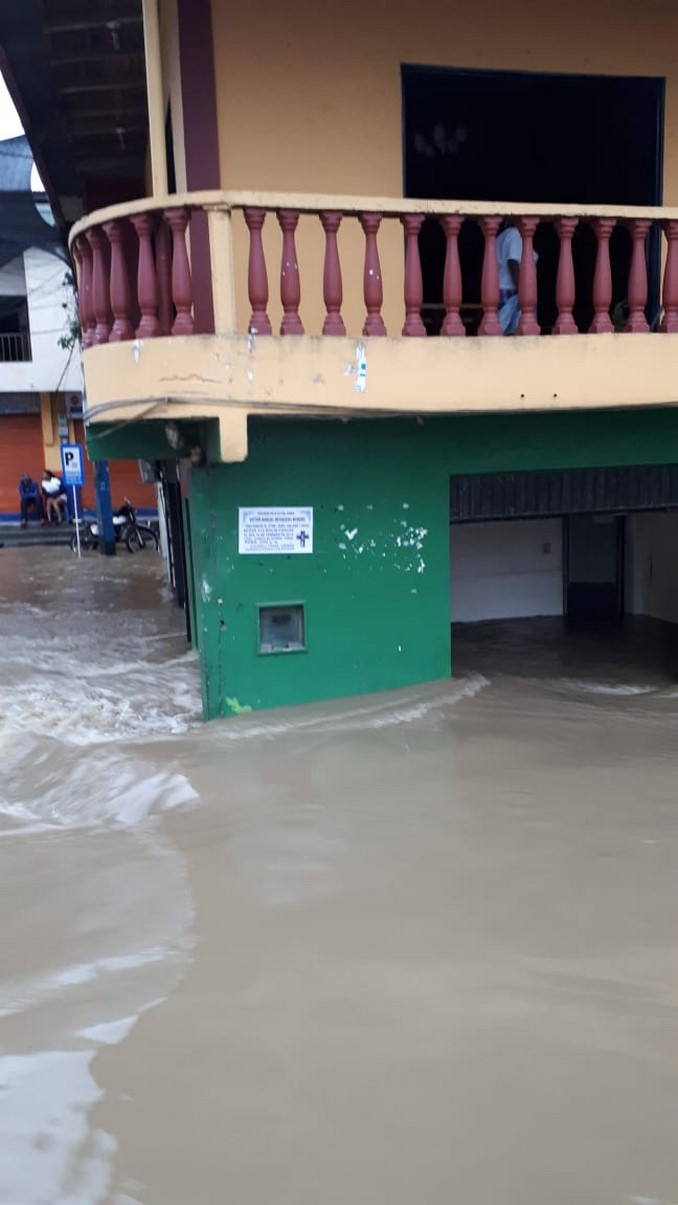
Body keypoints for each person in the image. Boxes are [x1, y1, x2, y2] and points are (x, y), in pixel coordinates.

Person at [496, 219, 538, 335]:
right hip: (512, 292)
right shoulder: (514, 235)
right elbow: (513, 262)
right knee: (516, 333)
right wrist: (522, 292)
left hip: (501, 289)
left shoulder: (503, 236)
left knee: (507, 332)